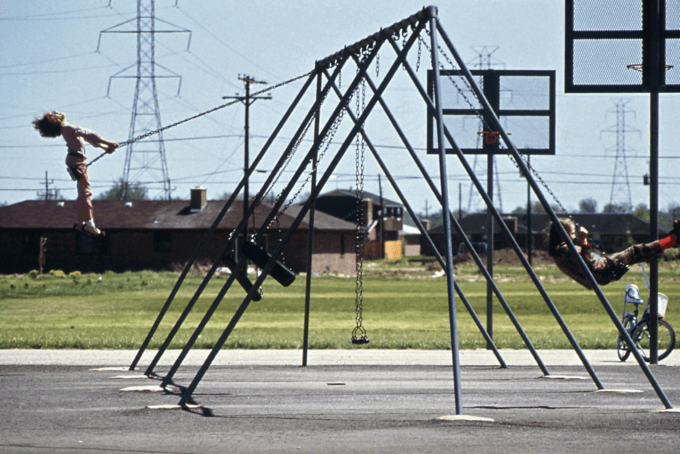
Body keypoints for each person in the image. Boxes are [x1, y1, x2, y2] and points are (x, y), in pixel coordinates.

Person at [32, 111, 118, 236]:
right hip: (77, 160)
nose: (57, 112)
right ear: (55, 119)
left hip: (75, 160)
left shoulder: (67, 129)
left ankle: (80, 222)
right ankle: (89, 224)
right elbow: (90, 135)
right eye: (54, 113)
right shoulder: (67, 128)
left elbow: (89, 140)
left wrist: (104, 147)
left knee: (83, 191)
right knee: (85, 191)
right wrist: (109, 143)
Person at [548, 217, 680, 289]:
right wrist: (584, 240)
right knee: (636, 251)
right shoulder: (566, 249)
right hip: (603, 269)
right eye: (572, 233)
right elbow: (587, 264)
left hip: (601, 271)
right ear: (563, 234)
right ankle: (673, 239)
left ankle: (667, 243)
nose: (574, 236)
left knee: (641, 254)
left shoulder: (558, 252)